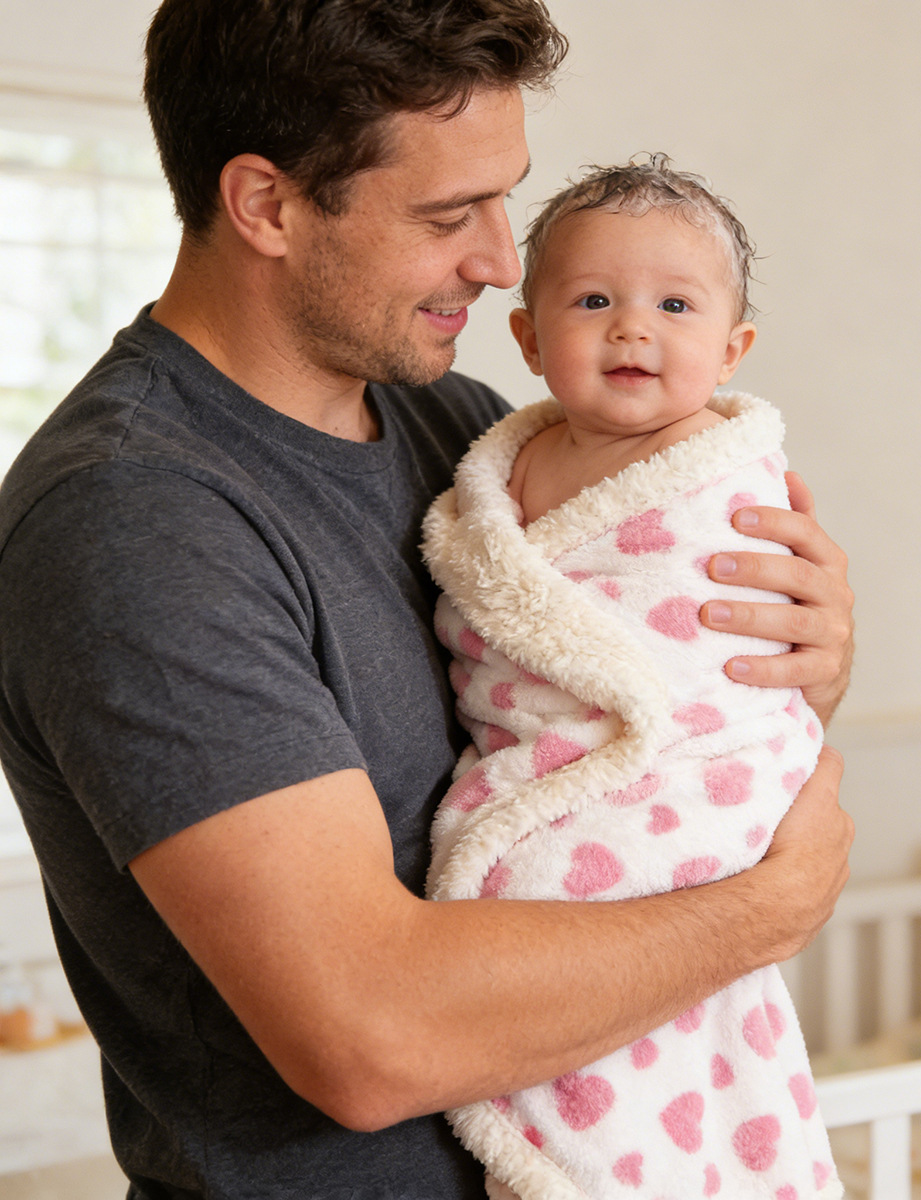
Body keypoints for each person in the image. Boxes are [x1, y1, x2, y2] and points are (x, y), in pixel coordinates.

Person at [0, 3, 855, 1198]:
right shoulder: (134, 521)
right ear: (268, 205)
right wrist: (771, 906)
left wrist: (802, 656)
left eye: (504, 199)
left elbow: (624, 687)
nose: (504, 259)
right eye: (449, 215)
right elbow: (371, 1039)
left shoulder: (464, 434)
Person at [422, 158, 841, 1199]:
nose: (631, 329)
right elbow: (498, 622)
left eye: (675, 305)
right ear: (527, 338)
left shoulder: (713, 468)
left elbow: (731, 660)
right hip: (546, 763)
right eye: (594, 300)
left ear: (732, 349)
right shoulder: (493, 460)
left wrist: (818, 674)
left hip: (666, 789)